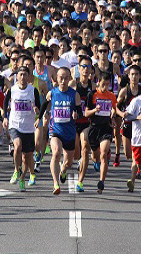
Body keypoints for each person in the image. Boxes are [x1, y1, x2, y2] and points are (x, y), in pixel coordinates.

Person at [39, 67, 82, 195]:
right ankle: (56, 184)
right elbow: (44, 105)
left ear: (69, 79)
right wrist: (40, 118)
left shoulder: (74, 94)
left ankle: (63, 170)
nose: (63, 81)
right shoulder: (52, 93)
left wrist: (76, 115)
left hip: (69, 132)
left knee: (68, 162)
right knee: (56, 152)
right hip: (55, 130)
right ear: (56, 79)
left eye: (65, 78)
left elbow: (79, 111)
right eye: (60, 78)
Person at [4, 66, 41, 192]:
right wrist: (5, 117)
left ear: (29, 76)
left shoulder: (33, 90)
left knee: (27, 157)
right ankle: (16, 170)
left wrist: (37, 113)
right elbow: (5, 102)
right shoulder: (12, 89)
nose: (23, 77)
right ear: (17, 76)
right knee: (17, 146)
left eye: (25, 74)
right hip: (15, 124)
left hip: (29, 126)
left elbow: (39, 107)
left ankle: (22, 178)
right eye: (20, 75)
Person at [85, 72, 118, 194]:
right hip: (94, 128)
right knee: (95, 156)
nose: (105, 87)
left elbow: (114, 108)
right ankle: (95, 161)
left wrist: (113, 117)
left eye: (108, 85)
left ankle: (101, 182)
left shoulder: (111, 96)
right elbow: (86, 113)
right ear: (98, 82)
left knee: (103, 154)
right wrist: (95, 110)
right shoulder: (92, 95)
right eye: (103, 84)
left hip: (106, 128)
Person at [69, 55, 95, 191]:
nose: (85, 69)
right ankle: (72, 162)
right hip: (73, 122)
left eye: (88, 67)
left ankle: (80, 182)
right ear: (78, 68)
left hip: (87, 123)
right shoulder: (73, 84)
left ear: (91, 69)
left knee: (85, 147)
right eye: (83, 66)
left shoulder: (93, 86)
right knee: (75, 154)